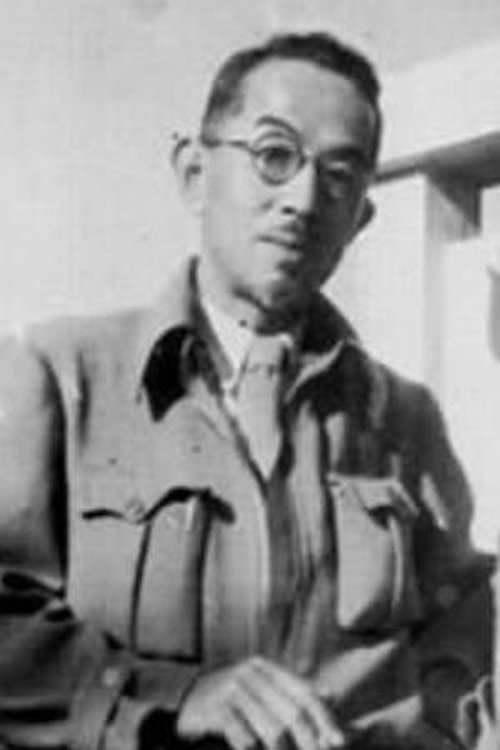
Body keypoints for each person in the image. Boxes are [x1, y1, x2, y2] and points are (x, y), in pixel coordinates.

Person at [0, 31, 493, 750]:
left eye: (339, 175)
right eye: (273, 155)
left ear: (361, 217)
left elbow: (465, 627)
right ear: (194, 173)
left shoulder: (403, 421)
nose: (303, 200)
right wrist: (173, 697)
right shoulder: (61, 377)